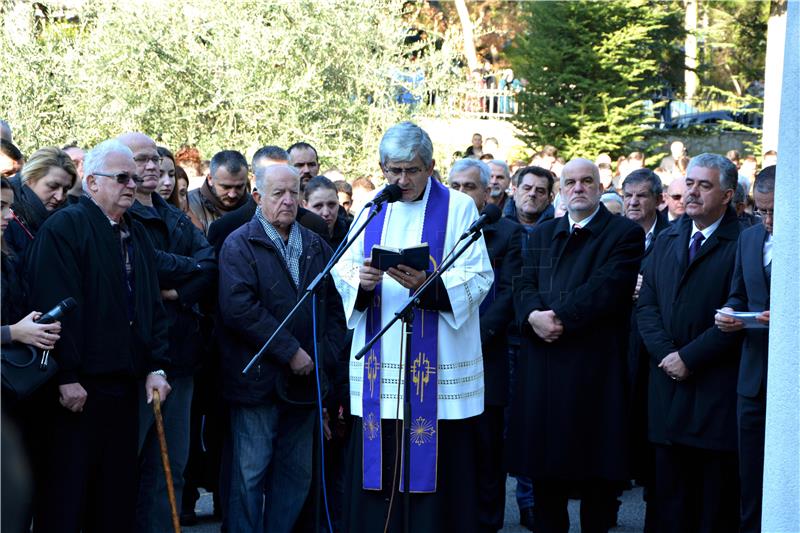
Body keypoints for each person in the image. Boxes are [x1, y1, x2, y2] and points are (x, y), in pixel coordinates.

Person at [333, 121, 493, 532]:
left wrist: (431, 285)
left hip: (438, 365)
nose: (402, 180)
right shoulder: (371, 205)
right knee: (380, 467)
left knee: (436, 477)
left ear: (431, 166)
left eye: (412, 170)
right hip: (380, 366)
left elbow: (479, 277)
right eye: (394, 170)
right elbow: (343, 268)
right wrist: (361, 284)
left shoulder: (458, 207)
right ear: (382, 167)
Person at [26, 139, 171, 533]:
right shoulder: (65, 228)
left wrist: (156, 365)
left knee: (115, 494)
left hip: (124, 386)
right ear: (91, 182)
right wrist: (66, 374)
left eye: (136, 179)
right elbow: (54, 304)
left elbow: (150, 307)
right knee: (69, 495)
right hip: (77, 389)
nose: (133, 185)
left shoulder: (136, 233)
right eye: (122, 178)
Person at [509, 158, 644, 533]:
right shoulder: (541, 233)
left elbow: (607, 288)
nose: (579, 187)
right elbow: (521, 284)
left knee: (597, 485)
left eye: (587, 181)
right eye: (570, 182)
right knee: (546, 481)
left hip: (593, 374)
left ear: (600, 188)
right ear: (561, 191)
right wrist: (533, 315)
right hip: (544, 369)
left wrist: (558, 318)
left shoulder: (623, 233)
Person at [218, 163, 346, 533]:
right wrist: (291, 351)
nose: (288, 201)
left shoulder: (315, 244)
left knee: (296, 474)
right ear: (258, 197)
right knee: (250, 474)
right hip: (258, 382)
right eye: (278, 193)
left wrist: (324, 355)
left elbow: (336, 310)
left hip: (306, 383)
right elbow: (239, 308)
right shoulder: (239, 243)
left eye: (294, 193)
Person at [637, 153, 742, 533]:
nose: (693, 192)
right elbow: (645, 303)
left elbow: (739, 313)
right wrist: (667, 354)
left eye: (705, 185)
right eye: (690, 183)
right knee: (667, 503)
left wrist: (689, 358)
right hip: (666, 390)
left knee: (710, 507)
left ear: (727, 195)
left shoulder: (743, 241)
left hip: (712, 395)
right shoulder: (669, 236)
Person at [119, 132, 217, 533]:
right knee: (133, 464)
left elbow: (208, 263)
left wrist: (176, 289)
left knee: (172, 464)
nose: (152, 167)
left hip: (180, 357)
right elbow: (145, 262)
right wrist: (182, 267)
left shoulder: (174, 214)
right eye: (141, 160)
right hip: (138, 361)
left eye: (155, 160)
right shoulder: (122, 216)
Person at [449, 158, 522, 533]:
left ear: (487, 192)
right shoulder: (440, 231)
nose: (462, 195)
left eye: (470, 187)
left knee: (487, 449)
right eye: (456, 187)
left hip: (485, 355)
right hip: (440, 359)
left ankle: (488, 523)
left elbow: (509, 295)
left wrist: (469, 339)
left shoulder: (508, 233)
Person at [715, 165, 775, 533]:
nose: (767, 219)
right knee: (750, 475)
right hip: (752, 376)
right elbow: (738, 292)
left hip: (789, 374)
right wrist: (730, 313)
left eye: (774, 211)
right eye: (762, 209)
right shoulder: (749, 239)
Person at [622, 168, 669, 532]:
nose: (634, 202)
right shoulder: (615, 235)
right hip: (621, 340)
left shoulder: (670, 236)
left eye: (641, 196)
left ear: (658, 199)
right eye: (628, 196)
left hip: (653, 342)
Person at [6, 147, 77, 256]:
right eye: (53, 186)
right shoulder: (5, 215)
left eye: (65, 189)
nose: (59, 197)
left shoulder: (70, 218)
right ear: (30, 178)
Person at [187, 149, 250, 234]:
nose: (232, 195)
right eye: (226, 187)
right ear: (210, 179)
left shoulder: (257, 206)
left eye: (239, 187)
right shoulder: (187, 204)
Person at [303, 175, 350, 249]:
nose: (326, 213)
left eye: (331, 204)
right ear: (305, 205)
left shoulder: (351, 231)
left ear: (338, 202)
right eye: (318, 206)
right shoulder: (294, 235)